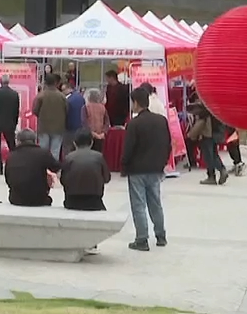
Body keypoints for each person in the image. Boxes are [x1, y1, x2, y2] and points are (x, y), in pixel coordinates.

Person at [121, 87, 170, 251]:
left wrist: (124, 165)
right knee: (155, 203)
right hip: (155, 168)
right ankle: (161, 235)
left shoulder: (134, 124)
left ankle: (142, 239)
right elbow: (167, 144)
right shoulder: (161, 121)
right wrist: (162, 163)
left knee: (139, 204)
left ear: (136, 103)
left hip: (137, 170)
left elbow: (128, 148)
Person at [4, 129, 59, 207]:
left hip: (16, 199)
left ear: (18, 141)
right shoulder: (43, 153)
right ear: (35, 140)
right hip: (39, 199)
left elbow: (7, 178)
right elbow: (56, 167)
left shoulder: (11, 156)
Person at [60, 128, 109, 211]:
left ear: (74, 143)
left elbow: (63, 180)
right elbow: (106, 178)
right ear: (92, 142)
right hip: (95, 201)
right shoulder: (99, 157)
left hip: (72, 201)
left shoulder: (69, 158)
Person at [187, 102, 228, 186]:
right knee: (214, 154)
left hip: (207, 135)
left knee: (208, 157)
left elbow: (199, 125)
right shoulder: (215, 108)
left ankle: (212, 176)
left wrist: (191, 135)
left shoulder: (204, 111)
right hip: (216, 133)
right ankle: (222, 169)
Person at [0, 74, 20, 175]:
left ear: (1, 82)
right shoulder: (14, 94)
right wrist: (15, 123)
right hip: (9, 123)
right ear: (8, 82)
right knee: (12, 146)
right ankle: (15, 165)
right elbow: (16, 111)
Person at [33, 79, 68, 160]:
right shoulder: (62, 96)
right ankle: (53, 166)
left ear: (45, 83)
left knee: (43, 150)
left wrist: (42, 116)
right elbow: (67, 110)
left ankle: (43, 166)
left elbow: (35, 110)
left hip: (44, 127)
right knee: (55, 151)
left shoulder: (41, 96)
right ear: (56, 83)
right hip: (58, 127)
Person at [83, 88, 109, 155]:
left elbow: (84, 122)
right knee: (99, 154)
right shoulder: (103, 107)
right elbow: (107, 122)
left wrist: (92, 133)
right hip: (101, 136)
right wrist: (103, 133)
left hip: (89, 136)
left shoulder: (85, 107)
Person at [65, 84, 86, 153]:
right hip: (80, 126)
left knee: (68, 147)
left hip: (69, 127)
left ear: (69, 88)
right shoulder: (80, 98)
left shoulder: (68, 99)